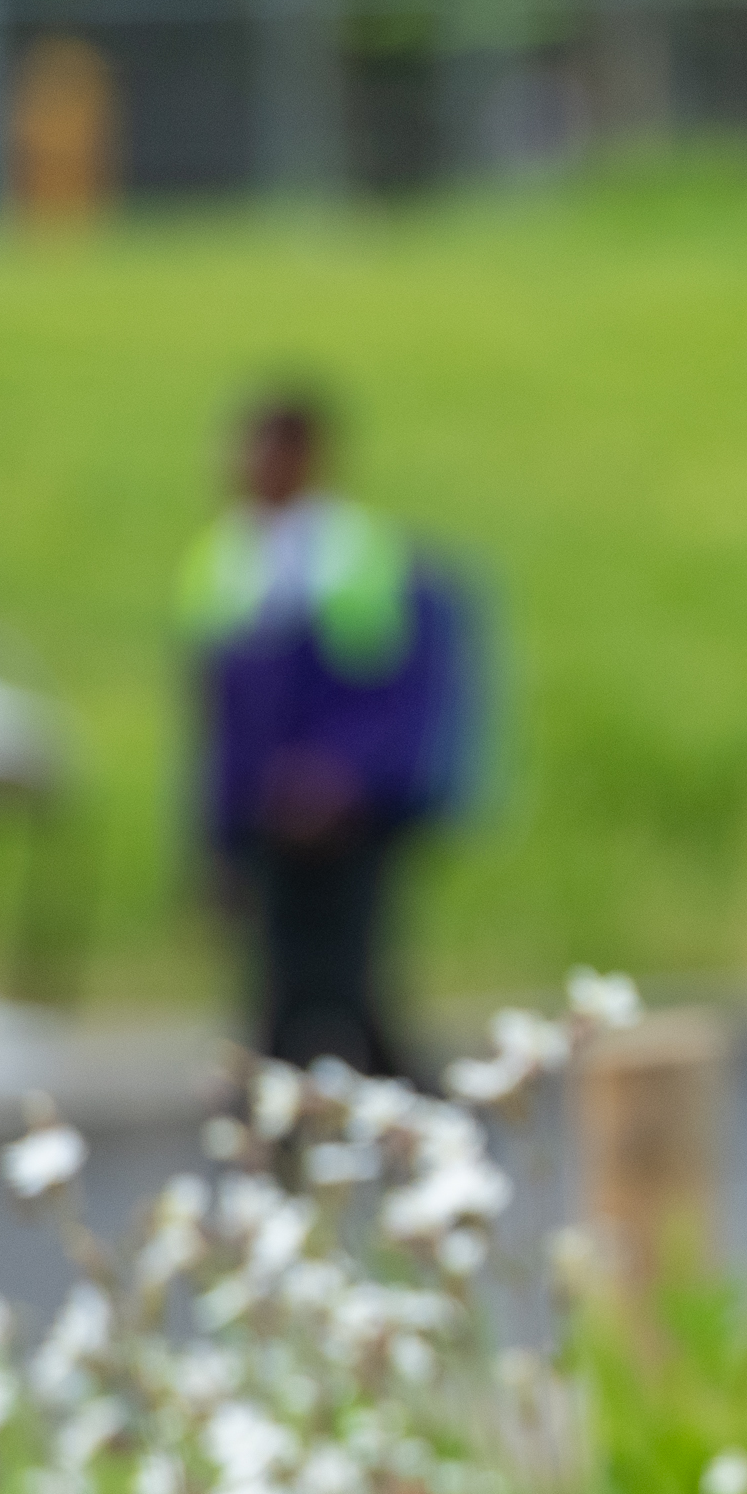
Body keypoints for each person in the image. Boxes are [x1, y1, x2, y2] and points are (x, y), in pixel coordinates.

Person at [181, 388, 467, 1076]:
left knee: (351, 982)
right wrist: (216, 836)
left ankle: (394, 1133)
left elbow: (404, 692)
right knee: (281, 993)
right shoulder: (225, 565)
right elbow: (216, 724)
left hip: (351, 821)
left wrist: (349, 776)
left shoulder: (364, 560)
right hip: (269, 823)